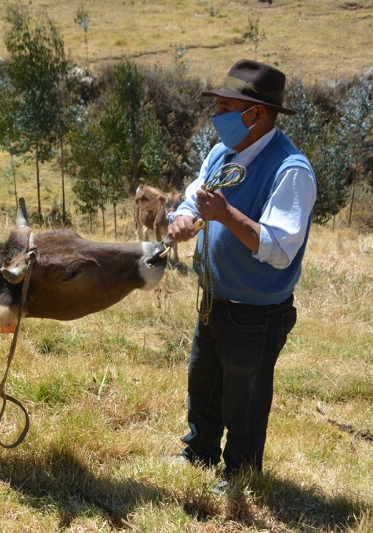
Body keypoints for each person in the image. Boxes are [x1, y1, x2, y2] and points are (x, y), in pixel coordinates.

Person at [166, 59, 317, 485]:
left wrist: (227, 214)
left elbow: (279, 249)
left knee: (245, 398)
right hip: (215, 298)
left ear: (258, 114)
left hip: (256, 312)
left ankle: (241, 472)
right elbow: (194, 199)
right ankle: (198, 451)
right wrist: (181, 216)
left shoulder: (291, 170)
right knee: (205, 381)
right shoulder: (221, 153)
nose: (218, 116)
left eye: (228, 107)